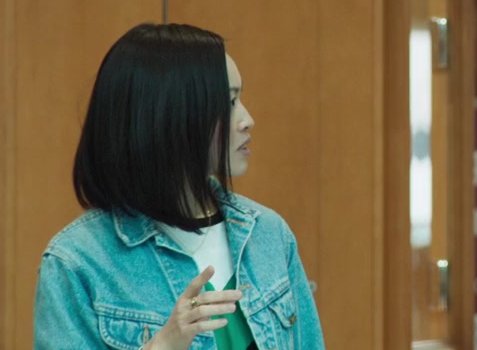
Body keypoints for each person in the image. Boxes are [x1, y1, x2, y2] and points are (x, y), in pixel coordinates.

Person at [34, 23, 325, 349]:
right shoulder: (77, 262)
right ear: (168, 116)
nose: (247, 120)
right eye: (229, 102)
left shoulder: (269, 234)